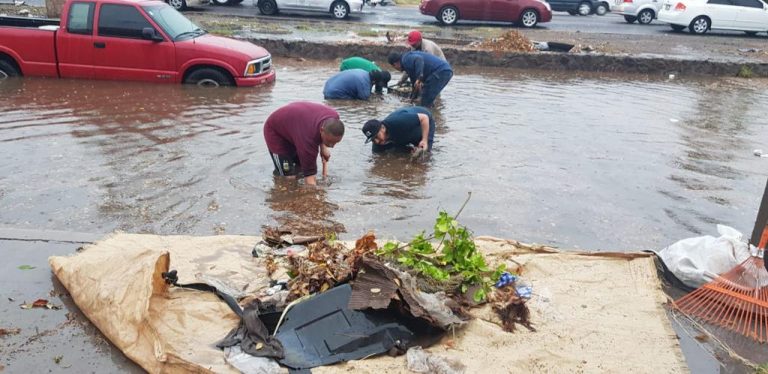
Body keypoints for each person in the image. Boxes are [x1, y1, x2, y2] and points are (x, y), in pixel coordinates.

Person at [263, 102, 345, 186]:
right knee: (288, 179)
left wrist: (323, 148)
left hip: (296, 128)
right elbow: (310, 180)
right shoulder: (308, 140)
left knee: (301, 170)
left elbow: (323, 128)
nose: (332, 146)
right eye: (329, 142)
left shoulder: (334, 118)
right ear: (321, 130)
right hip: (276, 132)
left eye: (335, 142)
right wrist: (316, 196)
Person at [388, 51, 452, 108]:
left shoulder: (406, 59)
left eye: (394, 67)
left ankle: (429, 116)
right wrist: (411, 99)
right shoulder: (408, 65)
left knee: (426, 99)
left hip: (441, 71)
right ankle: (434, 115)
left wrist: (419, 78)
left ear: (395, 64)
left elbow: (418, 59)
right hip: (444, 71)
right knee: (427, 98)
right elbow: (414, 85)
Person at [362, 106, 435, 154]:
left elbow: (424, 118)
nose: (377, 141)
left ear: (383, 128)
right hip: (401, 132)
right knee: (398, 152)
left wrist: (424, 140)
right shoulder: (378, 141)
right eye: (373, 139)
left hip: (422, 122)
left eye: (377, 137)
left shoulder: (398, 122)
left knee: (423, 153)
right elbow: (376, 155)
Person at [323, 69, 391, 100]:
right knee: (355, 103)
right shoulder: (364, 83)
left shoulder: (364, 73)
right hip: (332, 93)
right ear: (374, 82)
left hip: (327, 87)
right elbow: (365, 98)